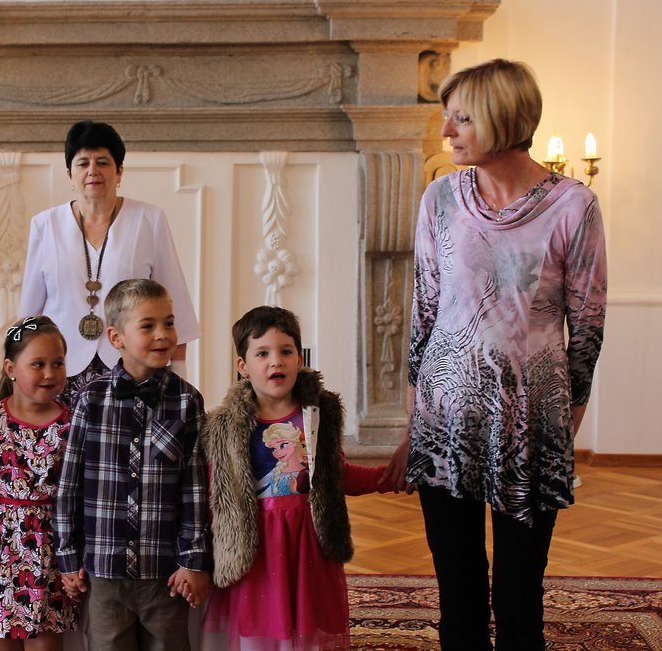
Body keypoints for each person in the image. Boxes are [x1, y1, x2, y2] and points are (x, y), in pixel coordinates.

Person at [382, 59, 608, 651]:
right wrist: (414, 420)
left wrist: (564, 423)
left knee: (519, 596)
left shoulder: (573, 206)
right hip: (445, 418)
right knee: (457, 593)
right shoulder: (440, 198)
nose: (445, 132)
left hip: (531, 421)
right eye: (446, 117)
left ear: (502, 118)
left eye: (460, 119)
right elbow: (424, 313)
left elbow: (587, 325)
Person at [200, 306, 392, 651]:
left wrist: (386, 478)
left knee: (305, 626)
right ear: (243, 366)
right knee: (259, 628)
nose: (276, 361)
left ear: (299, 359)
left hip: (306, 542)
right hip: (256, 546)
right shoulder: (225, 426)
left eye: (286, 351)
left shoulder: (316, 415)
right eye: (262, 353)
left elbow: (336, 474)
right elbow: (217, 493)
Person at [53, 278, 211, 651]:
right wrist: (67, 555)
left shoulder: (187, 401)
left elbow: (195, 489)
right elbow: (69, 485)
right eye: (148, 326)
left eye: (169, 323)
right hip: (103, 572)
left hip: (164, 573)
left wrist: (194, 560)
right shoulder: (90, 399)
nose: (163, 334)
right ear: (116, 337)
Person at [18, 120, 199, 405]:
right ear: (70, 174)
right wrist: (19, 379)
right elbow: (29, 315)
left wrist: (179, 376)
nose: (93, 170)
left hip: (133, 368)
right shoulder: (45, 225)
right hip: (59, 371)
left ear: (119, 171)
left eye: (102, 162)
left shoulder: (149, 219)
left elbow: (175, 302)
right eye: (83, 163)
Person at [0, 315, 79, 649]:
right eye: (38, 364)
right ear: (11, 368)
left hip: (53, 553)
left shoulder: (74, 424)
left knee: (45, 644)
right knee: (2, 642)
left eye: (58, 363)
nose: (49, 373)